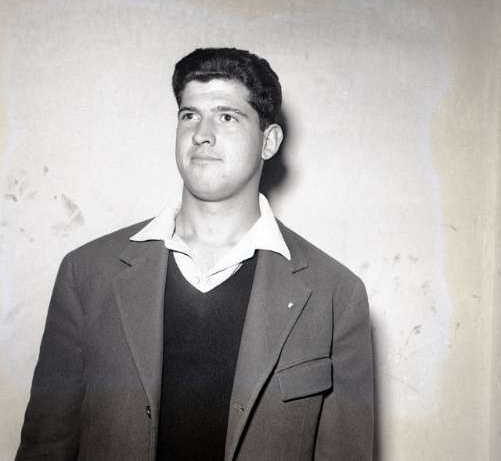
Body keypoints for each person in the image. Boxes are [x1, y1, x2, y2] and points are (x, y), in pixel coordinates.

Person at [16, 48, 374, 461]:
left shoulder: (335, 295)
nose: (202, 133)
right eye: (189, 115)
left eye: (227, 117)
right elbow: (46, 445)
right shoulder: (87, 273)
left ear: (269, 141)